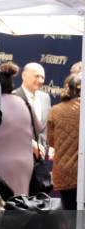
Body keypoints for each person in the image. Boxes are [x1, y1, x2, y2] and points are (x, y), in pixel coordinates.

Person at [0, 62, 41, 195]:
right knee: (21, 202)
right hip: (25, 163)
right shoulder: (24, 103)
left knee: (1, 203)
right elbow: (38, 127)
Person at [47, 73, 81, 210]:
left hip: (63, 172)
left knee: (71, 219)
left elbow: (51, 141)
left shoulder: (55, 111)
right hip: (81, 172)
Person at [13, 62, 51, 153]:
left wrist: (47, 147)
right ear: (24, 76)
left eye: (43, 77)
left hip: (41, 157)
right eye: (37, 76)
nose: (41, 81)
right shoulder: (13, 97)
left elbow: (46, 127)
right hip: (19, 153)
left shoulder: (45, 98)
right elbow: (11, 128)